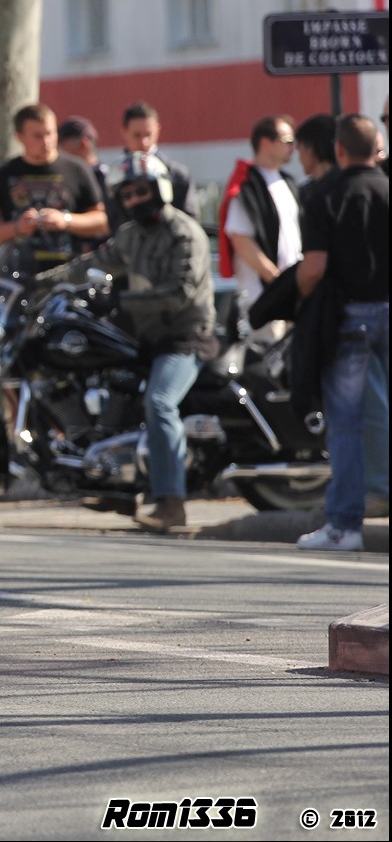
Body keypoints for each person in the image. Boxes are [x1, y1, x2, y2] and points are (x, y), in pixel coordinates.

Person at [39, 153, 217, 532]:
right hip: (146, 339)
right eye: (129, 194)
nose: (135, 199)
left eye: (142, 190)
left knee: (159, 402)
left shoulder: (184, 233)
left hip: (186, 339)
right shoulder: (130, 236)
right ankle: (112, 485)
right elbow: (93, 262)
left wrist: (119, 301)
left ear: (161, 188)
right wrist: (44, 282)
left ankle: (172, 503)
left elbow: (180, 293)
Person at [294, 115, 389, 551]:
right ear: (380, 147)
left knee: (346, 425)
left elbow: (313, 267)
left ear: (339, 150)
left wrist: (295, 294)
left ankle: (345, 525)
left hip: (350, 317)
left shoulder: (324, 196)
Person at [0, 103, 108, 277]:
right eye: (37, 136)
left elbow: (102, 221)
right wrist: (16, 227)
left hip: (69, 275)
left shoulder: (77, 169)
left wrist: (65, 220)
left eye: (50, 133)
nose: (46, 142)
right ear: (19, 137)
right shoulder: (3, 174)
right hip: (17, 276)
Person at [217, 115, 301, 343]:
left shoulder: (287, 181)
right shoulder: (247, 184)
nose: (292, 148)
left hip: (291, 295)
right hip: (264, 297)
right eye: (286, 141)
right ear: (265, 142)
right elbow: (241, 239)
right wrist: (277, 281)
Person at [109, 101, 199, 229]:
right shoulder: (114, 178)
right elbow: (114, 225)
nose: (144, 142)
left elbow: (190, 224)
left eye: (148, 134)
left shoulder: (176, 175)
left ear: (158, 130)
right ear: (124, 132)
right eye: (137, 135)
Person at [56, 116, 110, 253]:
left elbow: (110, 221)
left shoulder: (105, 178)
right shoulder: (66, 176)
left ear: (83, 144)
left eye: (62, 147)